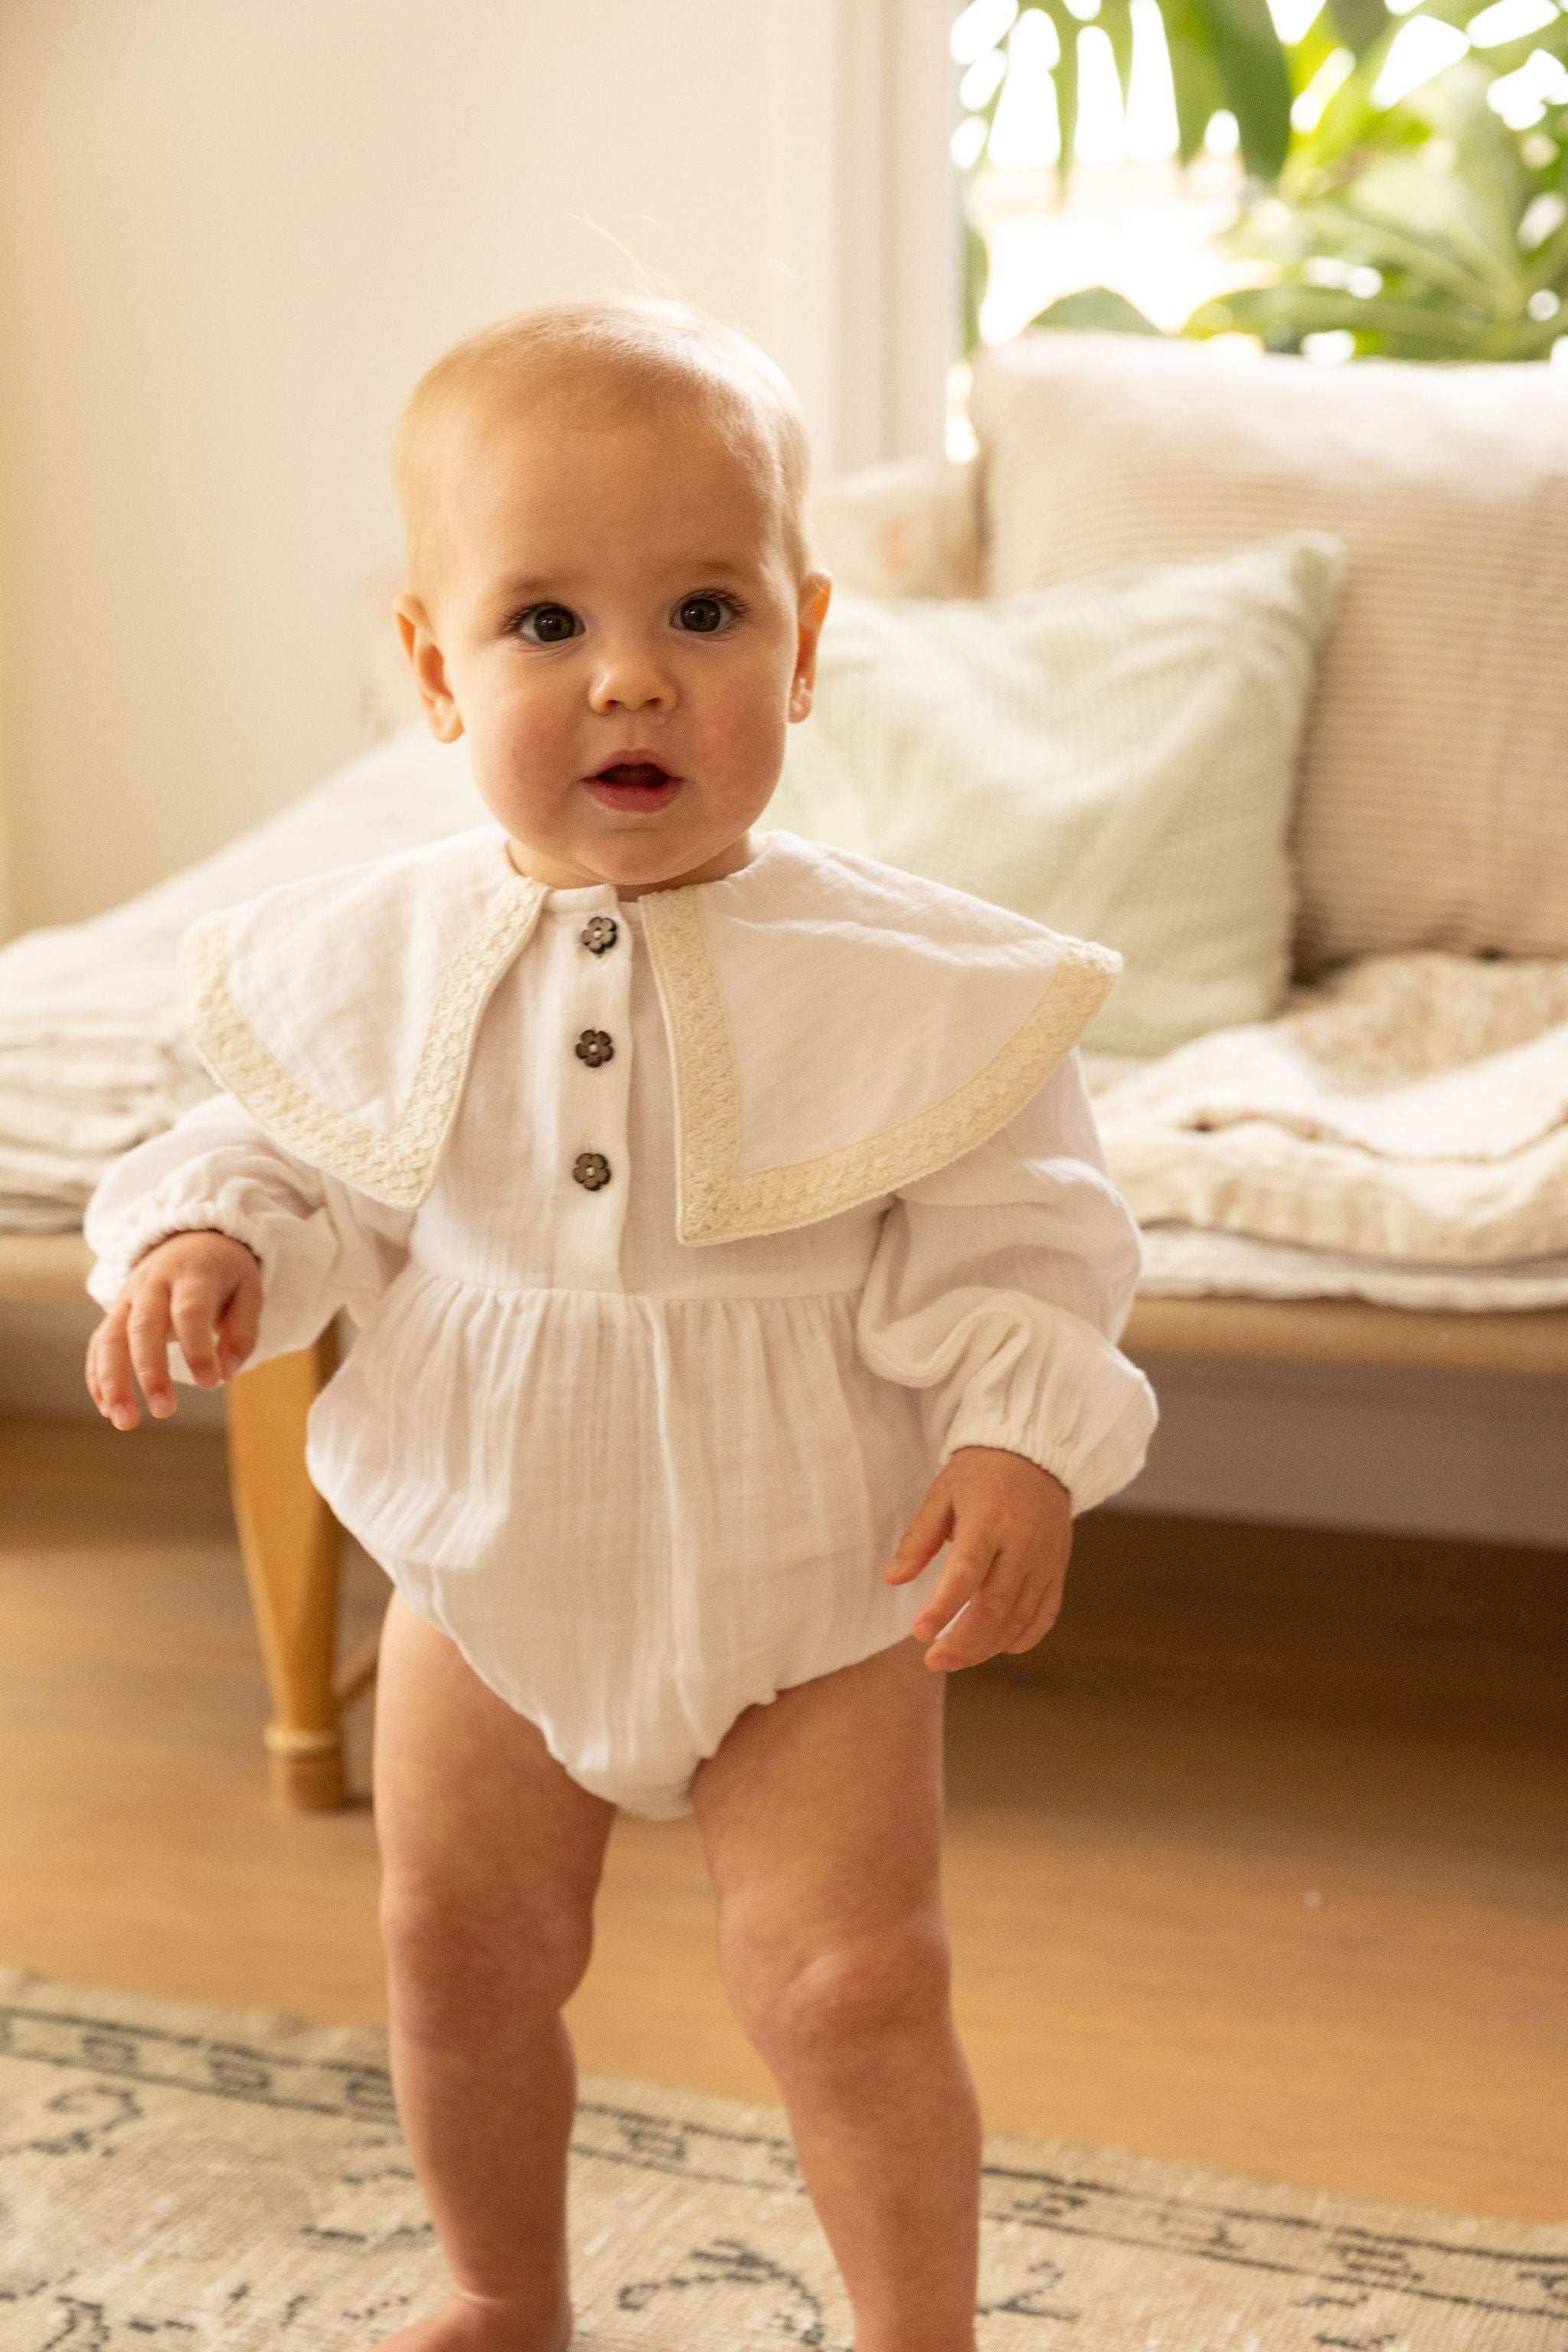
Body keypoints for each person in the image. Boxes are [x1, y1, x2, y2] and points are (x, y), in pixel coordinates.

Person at [81, 295, 1159, 2352]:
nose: (633, 675)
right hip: (488, 1567)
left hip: (818, 1580)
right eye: (547, 623)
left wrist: (1016, 1437)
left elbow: (1029, 1239)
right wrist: (210, 1245)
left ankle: (917, 2336)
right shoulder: (379, 959)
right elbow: (297, 1159)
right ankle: (503, 2289)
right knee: (454, 1949)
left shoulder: (914, 984)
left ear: (807, 646)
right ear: (433, 667)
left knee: (852, 1984)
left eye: (706, 612)